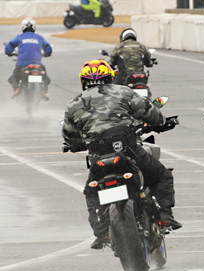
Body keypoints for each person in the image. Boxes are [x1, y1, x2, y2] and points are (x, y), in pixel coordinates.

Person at [62, 59, 181, 249]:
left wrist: (76, 144)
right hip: (129, 151)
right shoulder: (124, 91)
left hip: (98, 159)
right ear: (110, 76)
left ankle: (101, 232)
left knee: (92, 191)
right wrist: (161, 121)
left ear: (83, 81)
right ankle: (166, 217)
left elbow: (69, 136)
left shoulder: (74, 103)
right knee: (162, 176)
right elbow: (151, 113)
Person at [4, 18, 52, 100]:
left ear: (22, 27)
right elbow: (49, 49)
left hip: (22, 64)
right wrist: (46, 54)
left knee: (13, 78)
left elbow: (8, 48)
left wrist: (9, 53)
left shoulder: (19, 37)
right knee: (46, 78)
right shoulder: (39, 37)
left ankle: (17, 89)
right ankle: (43, 91)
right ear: (34, 27)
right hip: (37, 64)